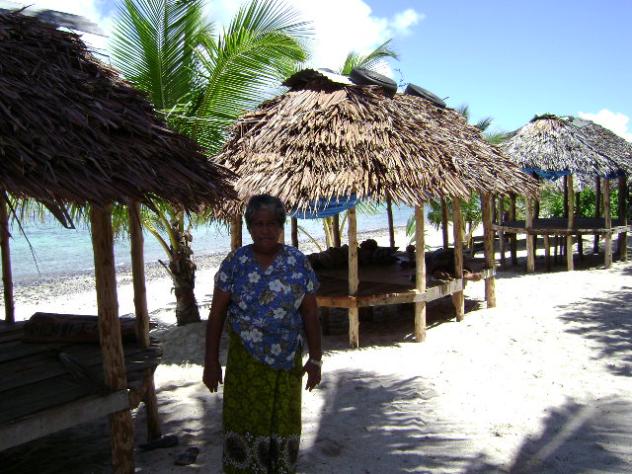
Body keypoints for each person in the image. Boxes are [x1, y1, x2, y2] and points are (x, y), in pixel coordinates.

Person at [204, 194, 322, 473]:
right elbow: (217, 314)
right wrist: (210, 362)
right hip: (245, 363)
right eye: (258, 224)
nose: (265, 230)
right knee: (245, 423)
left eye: (271, 224)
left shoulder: (297, 262)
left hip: (287, 363)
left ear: (281, 226)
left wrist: (316, 359)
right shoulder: (235, 262)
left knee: (283, 424)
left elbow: (310, 314)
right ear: (249, 226)